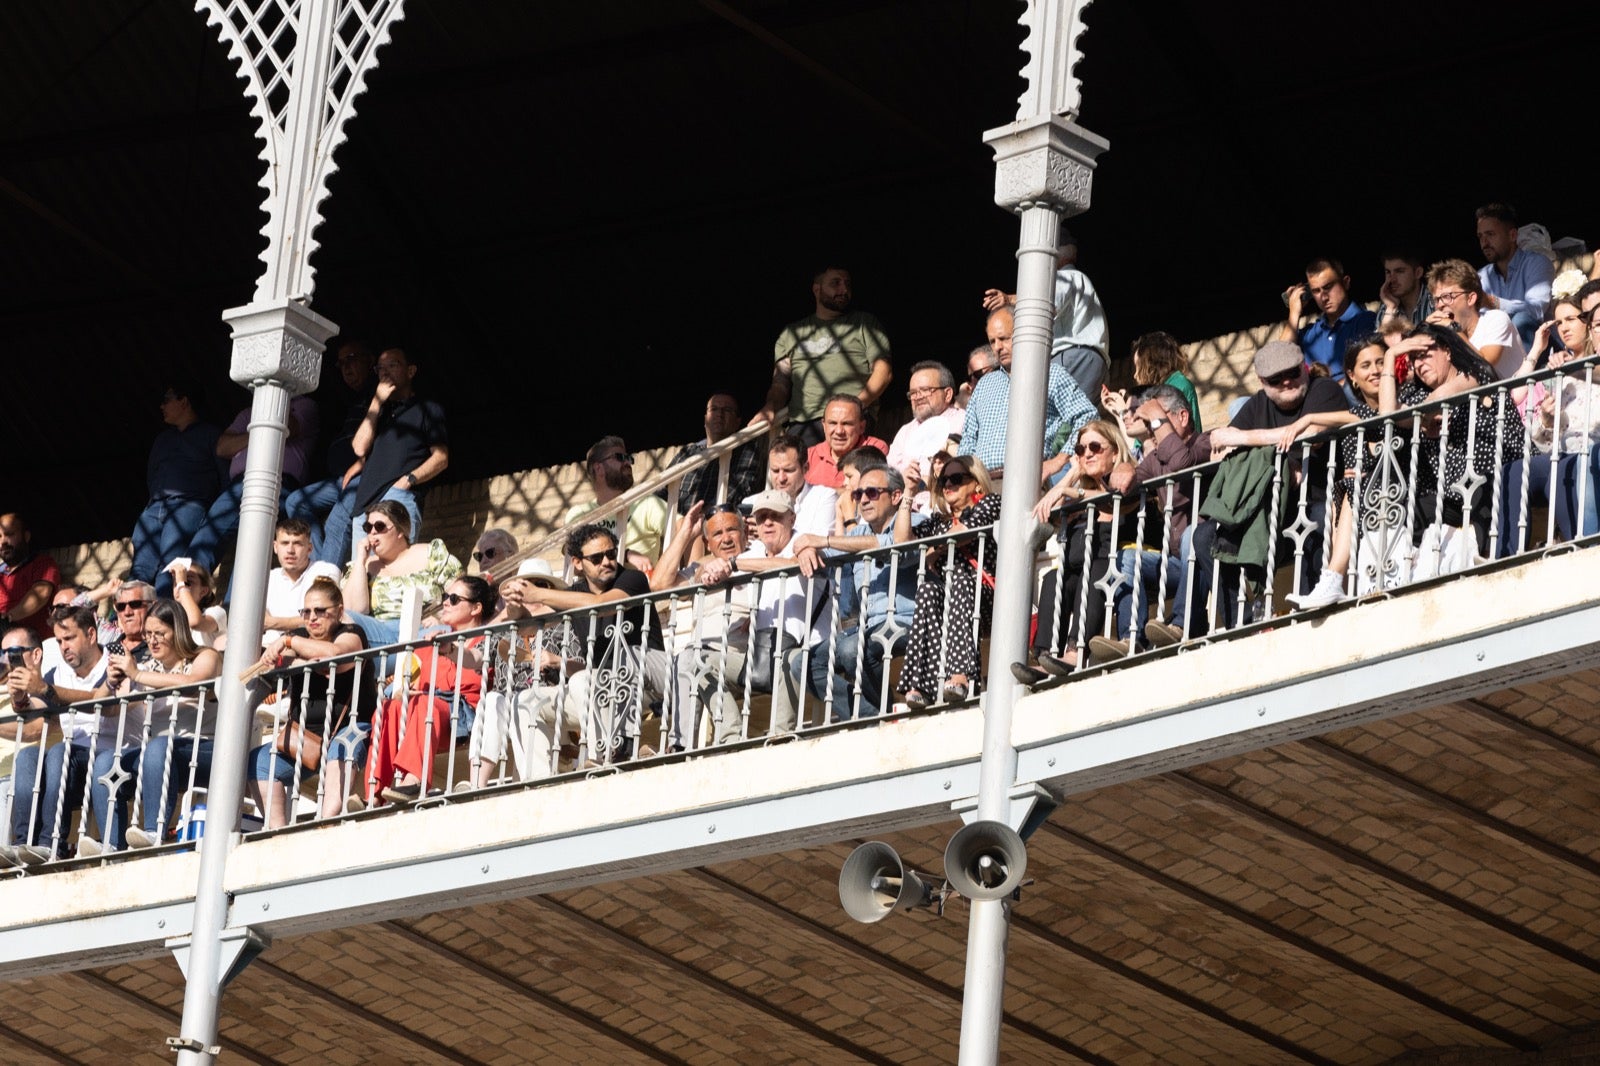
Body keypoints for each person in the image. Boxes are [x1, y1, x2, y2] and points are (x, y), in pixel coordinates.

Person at [512, 525, 669, 764]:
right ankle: (538, 782)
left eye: (611, 554)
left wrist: (540, 594)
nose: (606, 561)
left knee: (581, 679)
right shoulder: (575, 593)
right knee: (525, 701)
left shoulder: (631, 578)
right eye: (596, 558)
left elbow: (601, 604)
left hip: (643, 686)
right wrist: (514, 601)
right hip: (599, 693)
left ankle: (601, 757)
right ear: (577, 563)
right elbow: (527, 626)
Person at [1023, 421, 1150, 673]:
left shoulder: (1127, 473)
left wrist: (1073, 491)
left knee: (1092, 575)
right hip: (1078, 567)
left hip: (1117, 562)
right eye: (1080, 450)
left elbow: (1116, 497)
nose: (1087, 454)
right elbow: (1043, 515)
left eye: (1094, 447)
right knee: (1053, 579)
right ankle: (1046, 656)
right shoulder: (1078, 491)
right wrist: (1072, 474)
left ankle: (1075, 651)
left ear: (1114, 451)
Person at [246, 576, 374, 827]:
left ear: (338, 612)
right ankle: (277, 833)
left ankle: (324, 826)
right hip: (303, 735)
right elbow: (268, 664)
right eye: (306, 612)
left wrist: (287, 642)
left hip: (347, 729)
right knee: (259, 762)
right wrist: (280, 655)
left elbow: (335, 654)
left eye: (320, 611)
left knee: (343, 749)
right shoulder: (301, 636)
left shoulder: (352, 634)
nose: (312, 617)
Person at [308, 347, 450, 566]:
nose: (385, 373)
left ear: (411, 371)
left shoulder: (427, 408)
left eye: (392, 366)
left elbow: (441, 458)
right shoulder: (379, 412)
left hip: (397, 500)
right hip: (364, 507)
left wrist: (407, 481)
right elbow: (359, 447)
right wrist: (376, 402)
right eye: (380, 368)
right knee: (361, 579)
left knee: (393, 573)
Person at [798, 465, 919, 721]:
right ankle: (870, 716)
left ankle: (882, 712)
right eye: (858, 494)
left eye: (872, 492)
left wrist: (825, 541)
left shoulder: (913, 521)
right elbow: (821, 554)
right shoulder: (857, 534)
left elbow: (897, 547)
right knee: (803, 663)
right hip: (866, 630)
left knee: (852, 648)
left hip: (905, 623)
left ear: (896, 496)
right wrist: (806, 549)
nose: (863, 499)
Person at [361, 576, 491, 806]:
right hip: (425, 717)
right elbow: (406, 686)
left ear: (476, 608)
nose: (446, 603)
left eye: (453, 598)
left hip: (464, 718)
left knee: (425, 705)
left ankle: (415, 778)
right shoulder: (428, 644)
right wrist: (405, 694)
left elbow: (478, 670)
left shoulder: (486, 640)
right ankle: (375, 792)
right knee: (389, 707)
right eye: (444, 598)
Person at [4, 607, 118, 862]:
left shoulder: (114, 664)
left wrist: (45, 688)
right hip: (71, 762)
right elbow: (37, 711)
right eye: (58, 641)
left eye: (69, 639)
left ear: (91, 635)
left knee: (57, 752)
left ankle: (51, 844)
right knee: (28, 756)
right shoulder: (57, 673)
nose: (63, 646)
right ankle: (23, 845)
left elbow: (99, 702)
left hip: (109, 753)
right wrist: (20, 698)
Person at [648, 501, 758, 749]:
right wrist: (685, 533)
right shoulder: (700, 568)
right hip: (698, 656)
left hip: (741, 652)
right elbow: (659, 585)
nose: (726, 539)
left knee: (689, 658)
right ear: (708, 543)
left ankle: (679, 746)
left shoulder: (758, 556)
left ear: (746, 533)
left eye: (732, 530)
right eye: (718, 534)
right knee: (644, 658)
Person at [114, 600, 223, 848]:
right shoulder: (147, 668)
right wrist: (113, 683)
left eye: (160, 634)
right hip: (159, 758)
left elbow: (195, 683)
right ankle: (112, 844)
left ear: (179, 631)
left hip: (204, 750)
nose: (152, 641)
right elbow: (114, 708)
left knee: (158, 745)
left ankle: (155, 830)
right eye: (148, 634)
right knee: (106, 763)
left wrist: (138, 676)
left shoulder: (205, 656)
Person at [1497, 297, 1600, 556]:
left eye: (1571, 319)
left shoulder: (1577, 365)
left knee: (1569, 468)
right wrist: (1548, 419)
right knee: (1514, 470)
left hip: (1590, 450)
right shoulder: (1559, 371)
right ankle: (1506, 556)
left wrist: (1574, 367)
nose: (1563, 328)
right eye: (1559, 322)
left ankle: (1581, 550)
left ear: (1588, 323)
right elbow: (1515, 401)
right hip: (1561, 453)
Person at [897, 456, 1000, 708]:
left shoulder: (990, 503)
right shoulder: (938, 521)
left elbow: (964, 534)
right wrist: (909, 493)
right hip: (952, 604)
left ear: (976, 483)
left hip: (989, 599)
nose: (948, 485)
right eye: (944, 480)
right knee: (929, 589)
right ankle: (921, 685)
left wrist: (935, 548)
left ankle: (960, 675)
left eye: (956, 478)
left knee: (960, 579)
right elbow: (902, 544)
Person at [753, 265, 893, 447]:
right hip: (804, 422)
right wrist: (771, 405)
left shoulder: (865, 323)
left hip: (850, 418)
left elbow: (884, 372)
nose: (844, 290)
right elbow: (781, 381)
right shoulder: (791, 334)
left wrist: (856, 405)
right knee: (793, 469)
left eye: (847, 284)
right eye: (835, 283)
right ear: (817, 289)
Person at [186, 394, 319, 577]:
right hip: (240, 482)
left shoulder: (304, 405)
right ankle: (189, 590)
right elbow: (222, 447)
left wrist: (249, 433)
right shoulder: (248, 413)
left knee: (253, 539)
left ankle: (232, 603)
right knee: (210, 531)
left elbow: (282, 428)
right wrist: (258, 432)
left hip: (280, 480)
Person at [959, 307, 1096, 482]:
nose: (998, 347)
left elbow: (1086, 416)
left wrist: (1058, 460)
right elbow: (968, 440)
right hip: (984, 485)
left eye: (1004, 338)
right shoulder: (984, 385)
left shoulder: (1049, 374)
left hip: (1030, 481)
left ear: (1023, 333)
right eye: (992, 341)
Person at [983, 228, 1110, 397]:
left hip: (1072, 358)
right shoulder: (1079, 279)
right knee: (1079, 421)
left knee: (1054, 418)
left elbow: (1046, 301)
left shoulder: (1065, 277)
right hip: (1091, 361)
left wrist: (1009, 300)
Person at [285, 341, 377, 562]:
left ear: (370, 360)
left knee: (337, 518)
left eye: (352, 358)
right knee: (296, 502)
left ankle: (325, 581)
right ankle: (318, 567)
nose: (346, 367)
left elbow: (387, 438)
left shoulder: (380, 394)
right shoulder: (353, 400)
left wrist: (363, 461)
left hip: (367, 476)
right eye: (341, 363)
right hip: (341, 479)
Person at [130, 381, 223, 597]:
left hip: (188, 505)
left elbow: (223, 477)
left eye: (166, 400)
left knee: (170, 565)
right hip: (154, 507)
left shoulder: (211, 434)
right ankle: (126, 618)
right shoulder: (162, 439)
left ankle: (163, 619)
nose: (162, 406)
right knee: (139, 569)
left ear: (184, 402)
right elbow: (152, 474)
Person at [342, 499, 463, 648]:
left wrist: (441, 619)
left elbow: (461, 595)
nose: (372, 532)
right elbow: (353, 611)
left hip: (425, 629)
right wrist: (360, 560)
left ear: (400, 531)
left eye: (379, 526)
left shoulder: (430, 553)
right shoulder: (363, 566)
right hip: (380, 635)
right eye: (368, 527)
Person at [563, 435, 670, 570]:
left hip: (639, 587)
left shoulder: (647, 504)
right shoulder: (579, 514)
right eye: (620, 457)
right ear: (599, 469)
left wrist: (691, 574)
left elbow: (686, 527)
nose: (627, 463)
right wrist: (626, 555)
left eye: (628, 458)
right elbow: (577, 563)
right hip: (594, 588)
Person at [1278, 257, 1378, 385]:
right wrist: (1294, 313)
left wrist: (1327, 392)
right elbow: (1279, 362)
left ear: (1346, 283)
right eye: (1316, 291)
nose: (1323, 297)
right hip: (1316, 400)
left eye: (1328, 287)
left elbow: (1367, 374)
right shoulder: (1309, 333)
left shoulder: (1366, 321)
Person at [1425, 258, 1525, 380]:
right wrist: (1425, 333)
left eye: (1447, 296)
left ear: (1471, 299)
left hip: (1517, 396)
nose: (1440, 305)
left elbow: (1484, 365)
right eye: (1436, 300)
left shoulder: (1495, 319)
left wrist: (1453, 329)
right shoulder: (1445, 336)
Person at [668, 393, 765, 515]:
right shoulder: (688, 452)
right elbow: (661, 490)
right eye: (714, 409)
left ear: (737, 422)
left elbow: (739, 488)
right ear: (705, 419)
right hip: (675, 524)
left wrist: (703, 515)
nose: (719, 414)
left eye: (727, 410)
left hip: (713, 520)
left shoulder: (746, 450)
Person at [1476, 203, 1555, 349]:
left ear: (1512, 235)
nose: (1484, 243)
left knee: (1521, 320)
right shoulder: (1481, 276)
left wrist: (1495, 303)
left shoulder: (1537, 263)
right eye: (1480, 237)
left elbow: (1536, 310)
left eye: (1490, 235)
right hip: (1498, 349)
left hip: (1542, 349)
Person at [887, 361, 967, 504]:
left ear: (947, 394)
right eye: (913, 393)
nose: (917, 397)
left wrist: (926, 483)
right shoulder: (905, 432)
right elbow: (889, 476)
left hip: (947, 504)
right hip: (906, 509)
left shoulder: (964, 421)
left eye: (925, 390)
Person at [261, 517, 343, 645]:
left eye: (297, 543)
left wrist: (274, 623)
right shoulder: (267, 578)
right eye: (284, 543)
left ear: (309, 549)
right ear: (275, 547)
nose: (290, 550)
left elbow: (324, 617)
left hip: (308, 647)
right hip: (265, 648)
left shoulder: (325, 571)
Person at [1105, 331, 1202, 432]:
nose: (1135, 375)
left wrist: (1124, 410)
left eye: (1139, 366)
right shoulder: (1166, 387)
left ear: (1152, 364)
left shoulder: (1177, 385)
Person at [753, 434, 837, 538]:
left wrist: (765, 535)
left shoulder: (824, 498)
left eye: (788, 470)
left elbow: (818, 544)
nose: (781, 478)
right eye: (775, 471)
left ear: (805, 468)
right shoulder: (752, 503)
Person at [805, 395, 889, 490]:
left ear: (862, 427)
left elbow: (867, 492)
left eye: (846, 424)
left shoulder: (874, 449)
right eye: (833, 423)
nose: (839, 431)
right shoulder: (810, 455)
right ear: (824, 426)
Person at [0, 513, 62, 641]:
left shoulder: (42, 563)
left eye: (10, 534)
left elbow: (40, 594)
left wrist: (8, 618)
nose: (3, 542)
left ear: (26, 536)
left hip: (33, 647)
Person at [168, 561, 228, 649]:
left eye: (188, 582)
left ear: (203, 591)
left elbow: (195, 622)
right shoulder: (170, 620)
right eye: (176, 582)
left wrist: (182, 584)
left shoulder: (216, 612)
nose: (179, 587)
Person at [1377, 247, 1435, 331]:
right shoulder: (1387, 307)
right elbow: (1380, 343)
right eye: (1388, 272)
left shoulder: (1435, 301)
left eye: (1399, 271)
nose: (1392, 279)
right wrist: (1391, 308)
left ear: (1418, 273)